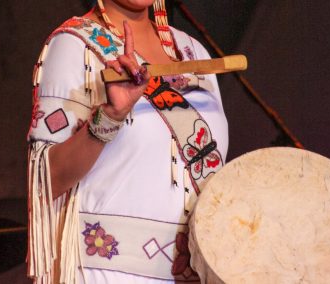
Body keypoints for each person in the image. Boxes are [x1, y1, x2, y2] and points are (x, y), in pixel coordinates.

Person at [27, 0, 228, 283]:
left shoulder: (194, 52)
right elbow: (46, 181)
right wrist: (111, 116)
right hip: (107, 274)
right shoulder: (73, 46)